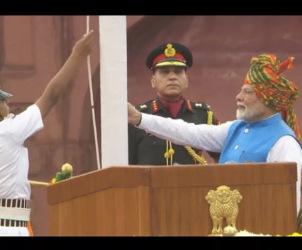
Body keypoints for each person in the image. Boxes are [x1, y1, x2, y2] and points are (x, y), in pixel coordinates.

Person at [128, 54, 302, 225]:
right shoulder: (237, 128)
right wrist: (140, 118)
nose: (238, 97)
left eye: (247, 92)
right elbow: (189, 132)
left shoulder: (284, 142)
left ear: (268, 99)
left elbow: (289, 207)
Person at [0, 30, 94, 236]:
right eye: (2, 101)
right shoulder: (10, 130)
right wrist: (77, 55)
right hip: (11, 232)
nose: (7, 102)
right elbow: (52, 95)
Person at [128, 42, 221, 166]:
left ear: (186, 81)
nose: (172, 77)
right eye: (165, 72)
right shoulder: (138, 117)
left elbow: (221, 156)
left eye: (178, 72)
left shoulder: (203, 115)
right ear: (153, 81)